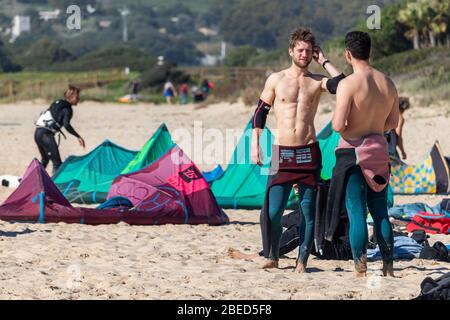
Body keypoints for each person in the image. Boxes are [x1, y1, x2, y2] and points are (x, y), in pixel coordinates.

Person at [251, 27, 346, 272]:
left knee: (307, 212)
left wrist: (324, 60)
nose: (304, 54)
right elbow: (260, 113)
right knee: (272, 211)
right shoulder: (276, 79)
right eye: (300, 50)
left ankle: (302, 260)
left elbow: (344, 85)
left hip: (308, 153)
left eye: (308, 51)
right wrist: (256, 146)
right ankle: (272, 256)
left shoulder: (317, 81)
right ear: (291, 51)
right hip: (280, 152)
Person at [328, 31, 399, 277]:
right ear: (370, 52)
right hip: (379, 149)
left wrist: (353, 127)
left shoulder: (348, 84)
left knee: (356, 210)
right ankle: (388, 267)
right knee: (380, 211)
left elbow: (338, 126)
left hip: (353, 152)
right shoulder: (387, 82)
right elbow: (393, 122)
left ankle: (361, 267)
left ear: (348, 54)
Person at [34, 85, 86, 174]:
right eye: (77, 97)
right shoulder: (67, 108)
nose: (79, 99)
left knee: (45, 159)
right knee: (57, 164)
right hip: (46, 135)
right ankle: (57, 186)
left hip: (38, 132)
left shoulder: (56, 103)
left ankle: (34, 182)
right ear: (72, 97)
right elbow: (66, 125)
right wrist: (78, 136)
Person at [386, 97, 410, 162]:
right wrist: (402, 151)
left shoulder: (387, 113)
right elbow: (398, 135)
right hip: (390, 147)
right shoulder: (400, 118)